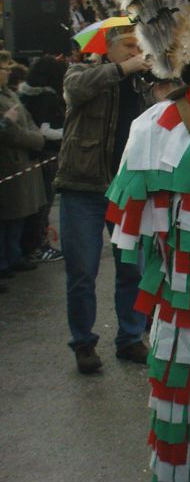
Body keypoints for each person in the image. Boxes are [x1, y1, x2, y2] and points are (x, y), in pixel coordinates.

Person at [54, 24, 151, 373]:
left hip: (125, 190)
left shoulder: (143, 85)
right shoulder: (83, 71)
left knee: (132, 270)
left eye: (137, 46)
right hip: (83, 188)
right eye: (127, 46)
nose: (134, 51)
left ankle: (130, 338)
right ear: (109, 49)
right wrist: (122, 69)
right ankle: (83, 343)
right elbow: (74, 91)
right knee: (82, 271)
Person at [0, 52, 49, 293]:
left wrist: (34, 136)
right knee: (7, 215)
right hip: (9, 162)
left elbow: (27, 121)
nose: (7, 71)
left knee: (18, 215)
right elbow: (11, 132)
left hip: (21, 161)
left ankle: (15, 255)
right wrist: (35, 139)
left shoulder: (10, 94)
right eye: (3, 67)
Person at [17, 55, 67, 263]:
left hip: (30, 155)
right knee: (44, 204)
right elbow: (45, 130)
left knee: (35, 205)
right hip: (47, 154)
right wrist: (68, 133)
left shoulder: (25, 94)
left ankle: (28, 246)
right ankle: (39, 246)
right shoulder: (48, 97)